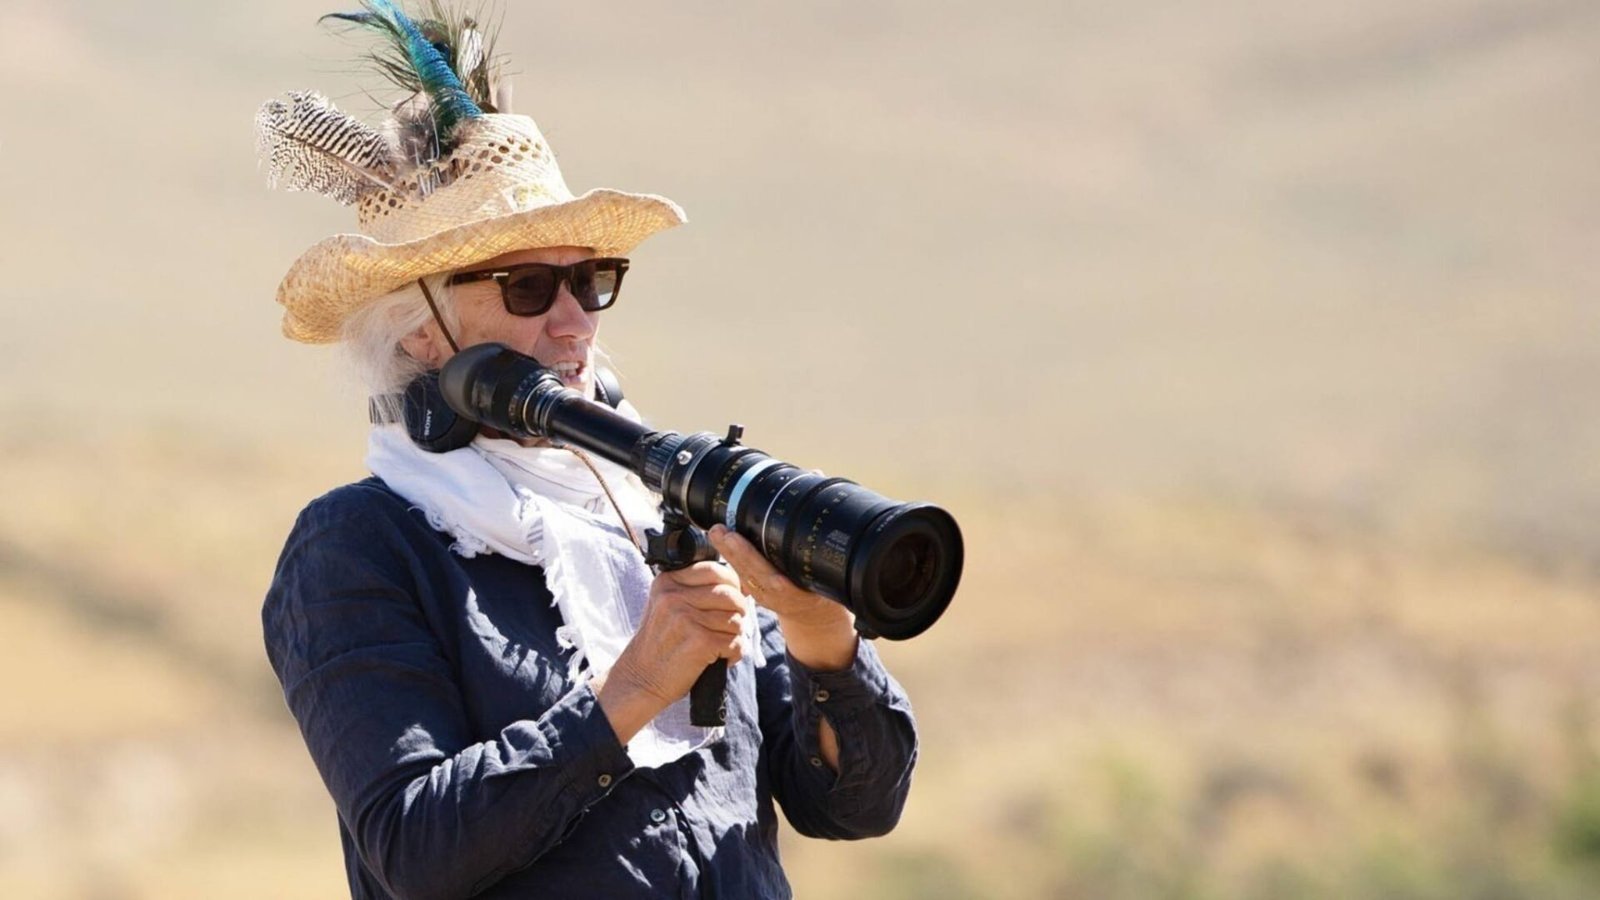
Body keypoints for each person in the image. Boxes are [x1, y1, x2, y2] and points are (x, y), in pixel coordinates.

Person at [256, 4, 917, 898]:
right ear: (417, 332)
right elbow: (415, 849)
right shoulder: (358, 545)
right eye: (526, 286)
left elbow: (852, 806)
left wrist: (817, 628)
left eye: (590, 280)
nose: (574, 321)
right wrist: (640, 680)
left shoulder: (665, 499)